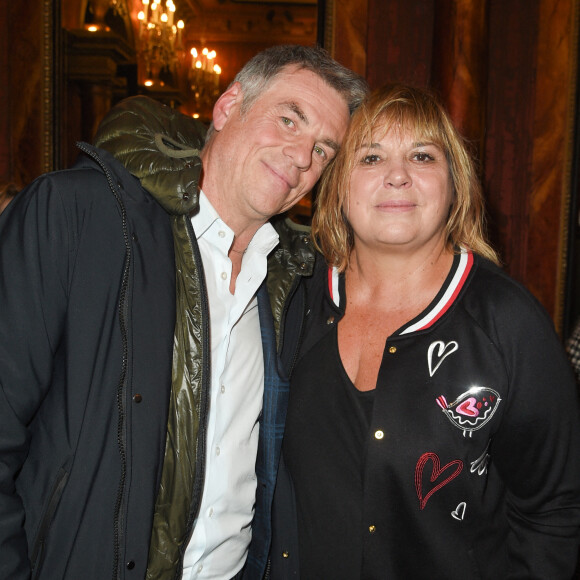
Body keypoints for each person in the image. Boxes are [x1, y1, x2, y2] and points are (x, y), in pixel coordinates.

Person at [0, 45, 368, 580]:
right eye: (288, 118)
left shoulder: (297, 284)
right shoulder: (78, 216)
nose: (300, 156)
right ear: (227, 107)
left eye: (323, 150)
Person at [271, 84, 580, 579]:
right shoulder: (290, 298)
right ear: (336, 185)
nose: (397, 176)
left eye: (421, 155)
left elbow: (555, 513)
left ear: (455, 183)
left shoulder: (509, 322)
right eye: (371, 158)